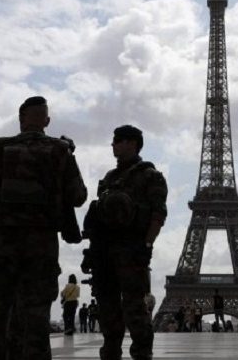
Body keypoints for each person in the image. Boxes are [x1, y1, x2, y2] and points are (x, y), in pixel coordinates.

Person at [0, 96, 87, 360]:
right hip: (41, 244)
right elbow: (78, 196)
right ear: (47, 121)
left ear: (21, 119)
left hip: (2, 243)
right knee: (36, 317)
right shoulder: (59, 150)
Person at [81, 125, 167, 360]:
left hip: (131, 250)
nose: (113, 145)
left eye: (118, 140)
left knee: (135, 310)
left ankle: (141, 354)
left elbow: (158, 215)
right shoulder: (110, 178)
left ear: (133, 143)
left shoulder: (151, 176)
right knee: (108, 311)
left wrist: (146, 246)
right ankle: (110, 353)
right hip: (105, 252)